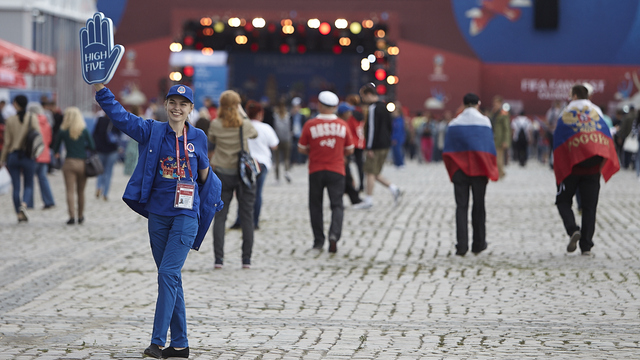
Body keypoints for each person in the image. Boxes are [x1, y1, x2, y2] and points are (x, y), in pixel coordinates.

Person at [93, 82, 221, 358]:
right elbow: (121, 117)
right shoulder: (151, 131)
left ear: (190, 109)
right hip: (158, 215)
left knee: (167, 273)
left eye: (183, 104)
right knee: (171, 277)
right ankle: (181, 345)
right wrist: (103, 91)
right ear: (165, 105)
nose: (177, 108)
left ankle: (157, 342)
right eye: (172, 103)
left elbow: (204, 176)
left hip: (187, 214)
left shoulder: (198, 136)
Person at [553, 84, 620, 256]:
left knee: (563, 200)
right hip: (592, 168)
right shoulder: (596, 111)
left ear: (575, 95)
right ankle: (586, 245)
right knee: (590, 207)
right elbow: (606, 136)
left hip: (572, 167)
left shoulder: (566, 112)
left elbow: (559, 137)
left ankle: (572, 229)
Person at [443, 93, 499, 256]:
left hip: (460, 171)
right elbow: (489, 148)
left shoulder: (454, 123)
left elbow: (448, 149)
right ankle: (478, 243)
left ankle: (461, 245)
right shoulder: (485, 121)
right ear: (478, 104)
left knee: (461, 207)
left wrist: (452, 170)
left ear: (463, 103)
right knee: (479, 206)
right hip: (479, 170)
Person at [298, 91, 354, 253]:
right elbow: (350, 149)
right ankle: (334, 236)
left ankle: (318, 240)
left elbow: (301, 148)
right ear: (335, 107)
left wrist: (315, 150)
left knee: (315, 205)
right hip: (337, 169)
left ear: (320, 106)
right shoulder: (342, 125)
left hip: (316, 169)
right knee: (337, 205)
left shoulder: (310, 124)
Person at [208, 90, 258, 269]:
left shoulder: (215, 124)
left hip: (222, 172)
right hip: (242, 174)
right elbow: (255, 134)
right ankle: (246, 260)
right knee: (247, 216)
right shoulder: (244, 124)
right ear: (238, 105)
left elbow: (211, 140)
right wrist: (242, 113)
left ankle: (218, 260)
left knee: (220, 216)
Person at [230, 100, 279, 230]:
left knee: (242, 192)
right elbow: (274, 145)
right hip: (262, 163)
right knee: (257, 193)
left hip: (245, 164)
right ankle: (254, 221)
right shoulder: (266, 128)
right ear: (259, 113)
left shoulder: (242, 126)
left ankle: (239, 220)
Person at [352, 83, 401, 209]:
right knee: (375, 172)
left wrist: (369, 147)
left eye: (363, 97)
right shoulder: (384, 107)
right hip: (384, 144)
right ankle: (394, 188)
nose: (363, 100)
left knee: (369, 172)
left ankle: (369, 199)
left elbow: (372, 129)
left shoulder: (373, 108)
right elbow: (390, 126)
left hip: (375, 146)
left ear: (369, 95)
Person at [0, 95, 40, 222]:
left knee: (16, 186)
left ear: (16, 104)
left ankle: (18, 213)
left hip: (13, 156)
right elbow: (38, 136)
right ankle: (24, 205)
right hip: (28, 155)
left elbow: (7, 143)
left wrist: (2, 159)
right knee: (29, 184)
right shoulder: (32, 118)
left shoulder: (10, 120)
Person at [52, 107, 95, 225]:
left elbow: (56, 148)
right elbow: (92, 145)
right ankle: (80, 216)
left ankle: (71, 216)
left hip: (69, 162)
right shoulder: (84, 130)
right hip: (82, 163)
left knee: (70, 191)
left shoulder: (63, 131)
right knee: (81, 191)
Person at [27, 102, 55, 209]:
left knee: (29, 180)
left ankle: (29, 203)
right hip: (44, 154)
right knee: (43, 179)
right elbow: (49, 140)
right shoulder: (46, 123)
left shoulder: (31, 123)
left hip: (33, 155)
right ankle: (49, 201)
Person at [92, 111, 121, 201]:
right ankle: (105, 193)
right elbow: (118, 135)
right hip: (112, 150)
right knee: (108, 172)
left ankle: (98, 187)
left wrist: (96, 147)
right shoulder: (115, 121)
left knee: (100, 170)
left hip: (100, 150)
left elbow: (94, 134)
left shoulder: (100, 120)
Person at [337, 102, 361, 205]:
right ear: (344, 113)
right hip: (341, 156)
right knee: (345, 178)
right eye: (349, 112)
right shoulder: (340, 124)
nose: (351, 113)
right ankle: (353, 199)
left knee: (346, 178)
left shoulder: (344, 123)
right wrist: (343, 156)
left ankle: (353, 198)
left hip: (343, 156)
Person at [346, 94, 365, 191]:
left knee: (346, 164)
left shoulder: (350, 115)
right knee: (360, 165)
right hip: (360, 142)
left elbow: (348, 128)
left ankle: (349, 184)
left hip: (351, 142)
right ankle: (362, 184)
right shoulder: (362, 113)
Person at [489, 95, 511, 179]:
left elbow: (506, 128)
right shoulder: (492, 112)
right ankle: (498, 173)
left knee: (499, 158)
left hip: (500, 139)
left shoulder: (503, 113)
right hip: (492, 138)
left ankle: (501, 173)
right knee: (493, 158)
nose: (495, 104)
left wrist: (506, 140)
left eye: (497, 103)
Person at [272, 97, 292, 183]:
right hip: (286, 139)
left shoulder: (275, 116)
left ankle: (277, 178)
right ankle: (286, 171)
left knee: (276, 160)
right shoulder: (288, 115)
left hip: (277, 139)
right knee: (286, 158)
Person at [290, 97, 307, 164]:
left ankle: (301, 160)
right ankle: (294, 160)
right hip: (294, 134)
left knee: (301, 147)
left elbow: (304, 124)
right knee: (294, 148)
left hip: (301, 134)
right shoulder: (291, 115)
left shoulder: (302, 116)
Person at [390, 104, 406, 168]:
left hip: (398, 138)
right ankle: (397, 163)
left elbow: (398, 131)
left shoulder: (399, 120)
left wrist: (395, 138)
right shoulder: (395, 120)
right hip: (395, 137)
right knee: (395, 151)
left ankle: (400, 163)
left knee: (398, 151)